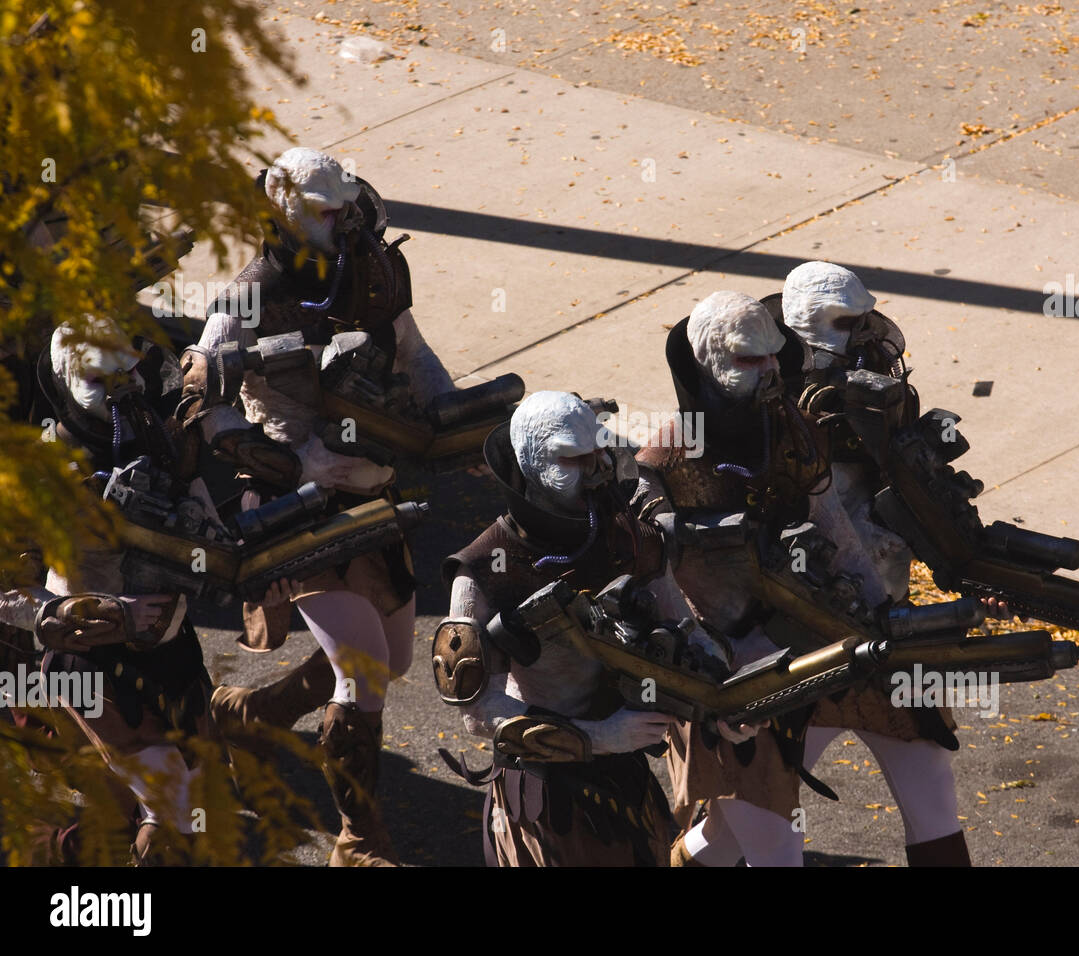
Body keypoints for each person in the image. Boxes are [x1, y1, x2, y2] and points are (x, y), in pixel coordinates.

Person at [186, 147, 455, 865]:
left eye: (345, 203)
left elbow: (412, 351)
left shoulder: (370, 267)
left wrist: (451, 415)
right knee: (363, 667)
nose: (344, 218)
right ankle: (359, 838)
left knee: (391, 660)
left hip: (370, 485)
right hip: (290, 503)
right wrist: (276, 453)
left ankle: (253, 711)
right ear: (283, 210)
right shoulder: (250, 291)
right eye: (325, 208)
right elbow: (199, 395)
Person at [635, 289, 967, 866]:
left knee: (931, 782)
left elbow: (835, 532)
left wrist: (880, 615)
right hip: (739, 679)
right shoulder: (660, 467)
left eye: (772, 357)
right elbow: (651, 590)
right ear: (706, 365)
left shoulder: (797, 430)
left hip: (835, 639)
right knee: (766, 843)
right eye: (747, 360)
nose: (768, 374)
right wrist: (714, 670)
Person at [438, 390, 755, 866]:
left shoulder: (630, 536)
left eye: (598, 453)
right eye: (573, 459)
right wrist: (598, 737)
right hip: (544, 797)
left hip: (627, 778)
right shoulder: (483, 568)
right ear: (530, 465)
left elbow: (683, 627)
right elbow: (477, 710)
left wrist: (722, 700)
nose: (596, 471)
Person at [0, 319, 222, 864]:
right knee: (173, 815)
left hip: (174, 655)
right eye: (100, 381)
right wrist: (68, 614)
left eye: (125, 374)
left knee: (188, 806)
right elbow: (8, 587)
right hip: (86, 664)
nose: (120, 392)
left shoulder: (170, 446)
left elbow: (216, 546)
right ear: (64, 383)